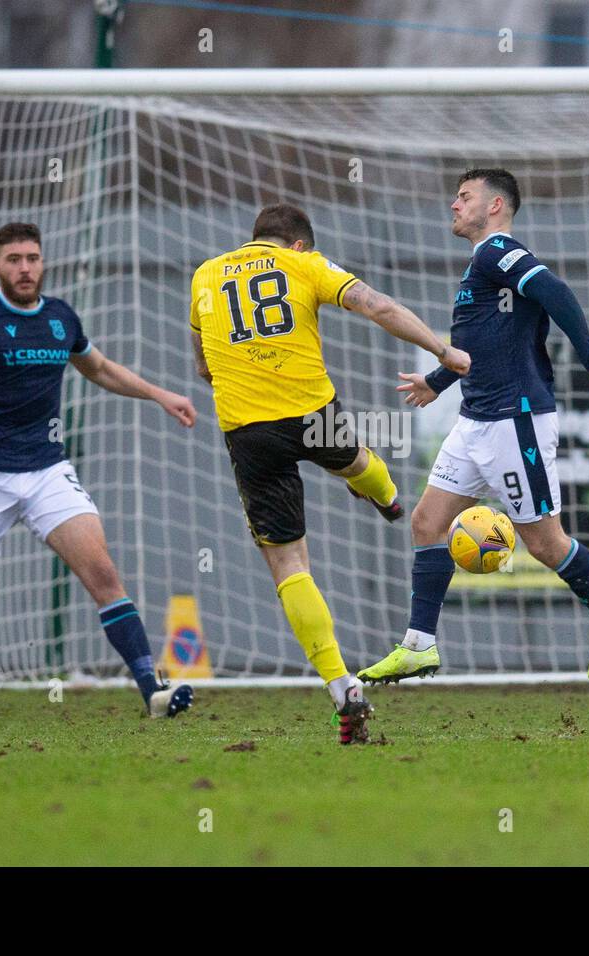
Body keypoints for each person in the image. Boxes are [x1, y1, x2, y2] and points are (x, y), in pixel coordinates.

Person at [0, 222, 197, 717]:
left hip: (47, 471)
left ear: (42, 263)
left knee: (103, 573)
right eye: (15, 259)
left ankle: (151, 687)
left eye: (33, 258)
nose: (25, 268)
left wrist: (160, 394)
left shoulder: (61, 318)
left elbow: (101, 369)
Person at [190, 202, 469, 743]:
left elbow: (203, 365)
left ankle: (343, 687)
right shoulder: (305, 265)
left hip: (247, 431)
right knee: (356, 459)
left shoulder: (205, 274)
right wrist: (442, 349)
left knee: (290, 566)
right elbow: (377, 306)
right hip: (311, 415)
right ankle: (387, 497)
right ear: (299, 244)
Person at [360, 168, 589, 686]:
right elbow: (485, 346)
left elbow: (556, 291)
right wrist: (439, 380)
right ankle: (419, 646)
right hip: (475, 420)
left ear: (494, 206)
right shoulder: (479, 268)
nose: (453, 204)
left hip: (517, 420)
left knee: (545, 545)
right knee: (427, 523)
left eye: (464, 196)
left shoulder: (496, 252)